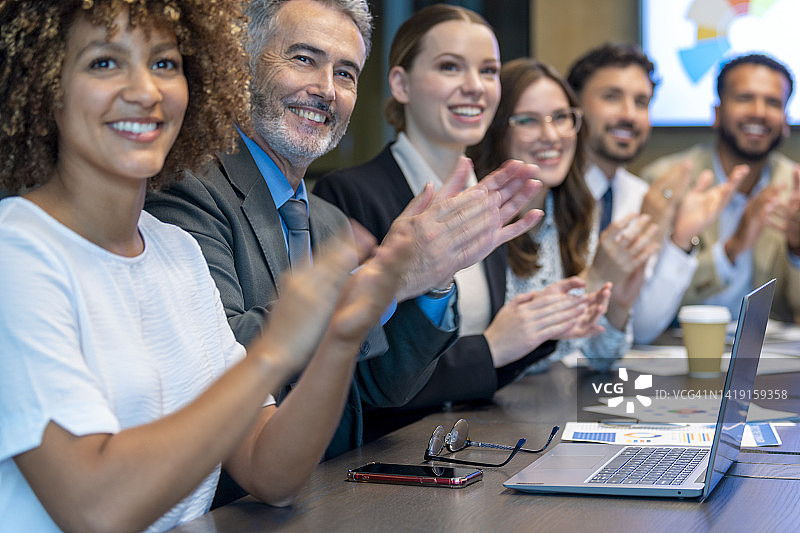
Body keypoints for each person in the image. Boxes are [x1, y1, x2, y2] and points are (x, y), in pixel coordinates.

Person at [0, 1, 417, 532]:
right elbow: (95, 509)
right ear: (45, 85)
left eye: (164, 64)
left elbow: (271, 472)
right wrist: (272, 353)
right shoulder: (16, 253)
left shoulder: (177, 252)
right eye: (104, 63)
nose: (145, 91)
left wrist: (337, 337)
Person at [145, 0, 541, 479]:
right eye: (304, 59)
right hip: (236, 501)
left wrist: (434, 279)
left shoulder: (328, 219)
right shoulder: (185, 189)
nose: (326, 90)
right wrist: (383, 281)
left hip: (337, 490)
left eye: (346, 73)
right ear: (242, 65)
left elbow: (380, 388)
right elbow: (221, 357)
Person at [315, 3, 610, 421]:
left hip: (474, 437)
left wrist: (544, 327)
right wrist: (493, 347)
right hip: (388, 456)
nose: (475, 86)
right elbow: (363, 383)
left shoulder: (486, 196)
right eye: (451, 67)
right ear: (401, 83)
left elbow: (490, 354)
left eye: (488, 71)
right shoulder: (349, 194)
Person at [471, 57, 657, 369]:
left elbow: (600, 356)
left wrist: (619, 306)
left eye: (561, 117)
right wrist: (596, 277)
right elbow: (512, 358)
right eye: (528, 120)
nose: (552, 136)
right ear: (496, 131)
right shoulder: (478, 220)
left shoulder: (574, 211)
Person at [566, 43, 746, 343]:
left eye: (641, 102)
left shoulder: (641, 196)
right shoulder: (547, 189)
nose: (629, 115)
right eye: (611, 97)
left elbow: (643, 328)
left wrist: (680, 240)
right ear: (575, 104)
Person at [642, 53, 800, 322]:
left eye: (773, 102)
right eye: (744, 98)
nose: (759, 112)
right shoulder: (667, 182)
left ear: (785, 121)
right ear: (716, 113)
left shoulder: (794, 191)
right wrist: (733, 248)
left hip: (770, 356)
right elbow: (647, 305)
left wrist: (797, 249)